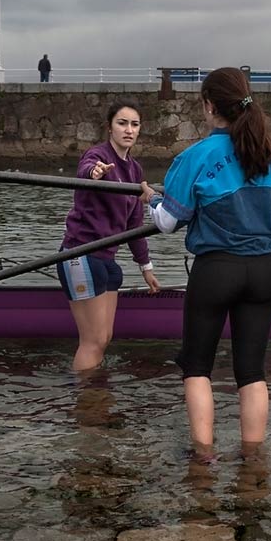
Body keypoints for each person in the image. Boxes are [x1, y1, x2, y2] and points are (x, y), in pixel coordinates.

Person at [140, 67, 271, 451]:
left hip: (215, 271)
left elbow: (168, 222)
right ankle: (253, 460)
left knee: (197, 368)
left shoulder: (196, 156)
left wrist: (151, 200)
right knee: (252, 373)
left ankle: (204, 459)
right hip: (263, 271)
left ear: (208, 106)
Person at [58, 100, 160, 370]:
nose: (129, 130)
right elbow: (86, 169)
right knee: (92, 340)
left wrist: (145, 267)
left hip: (107, 261)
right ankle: (84, 403)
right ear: (110, 128)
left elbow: (135, 224)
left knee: (104, 338)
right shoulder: (96, 155)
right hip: (80, 254)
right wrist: (94, 173)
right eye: (122, 123)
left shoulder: (135, 170)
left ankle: (96, 398)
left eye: (134, 124)